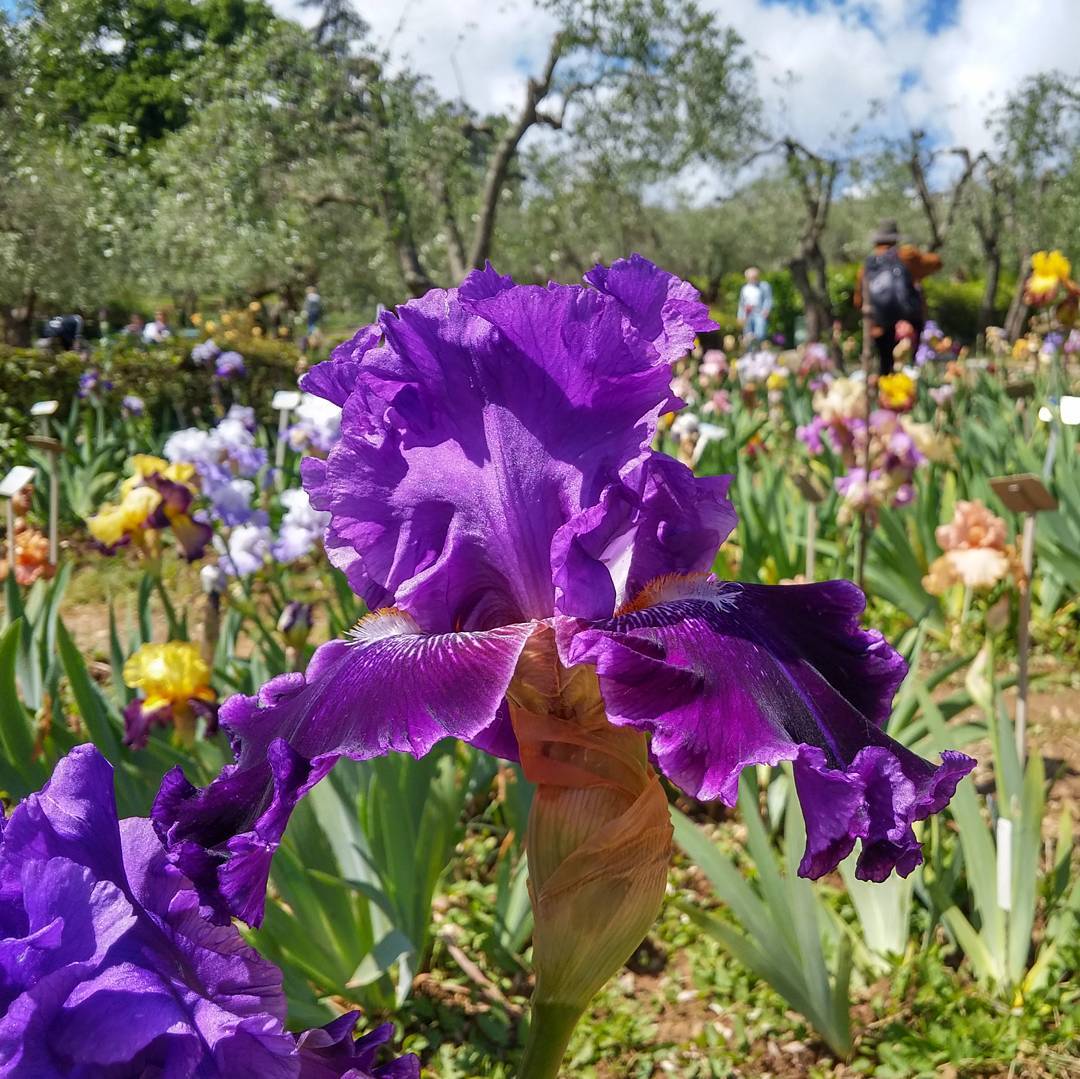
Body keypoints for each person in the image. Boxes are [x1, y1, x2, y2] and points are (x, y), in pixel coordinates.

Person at [855, 219, 941, 376]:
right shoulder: (907, 256)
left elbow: (858, 301)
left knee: (885, 366)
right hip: (907, 325)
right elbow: (937, 262)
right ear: (895, 239)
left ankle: (887, 395)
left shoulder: (867, 266)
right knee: (908, 367)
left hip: (879, 326)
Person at [737, 267, 773, 346]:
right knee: (748, 334)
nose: (752, 279)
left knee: (760, 333)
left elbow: (768, 299)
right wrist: (740, 316)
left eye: (754, 277)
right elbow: (741, 303)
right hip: (748, 314)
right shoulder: (744, 288)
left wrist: (766, 310)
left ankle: (758, 351)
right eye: (749, 278)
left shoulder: (764, 286)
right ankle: (750, 353)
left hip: (759, 312)